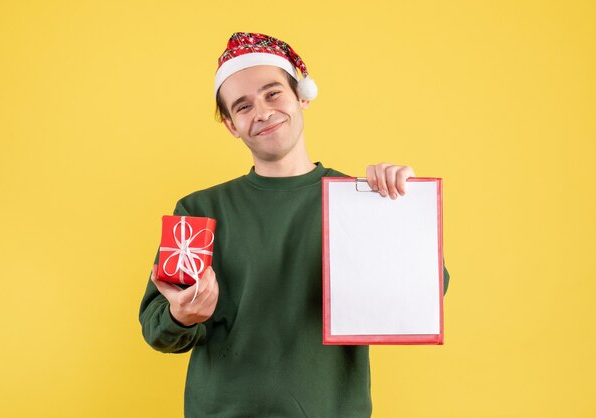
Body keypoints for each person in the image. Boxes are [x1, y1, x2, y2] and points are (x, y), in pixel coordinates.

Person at [139, 32, 449, 417]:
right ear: (231, 125)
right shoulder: (199, 210)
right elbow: (157, 328)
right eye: (243, 106)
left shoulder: (358, 202)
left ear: (301, 95)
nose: (263, 112)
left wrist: (397, 209)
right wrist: (181, 315)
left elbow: (426, 293)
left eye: (273, 94)